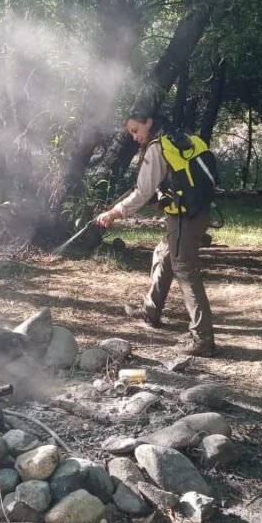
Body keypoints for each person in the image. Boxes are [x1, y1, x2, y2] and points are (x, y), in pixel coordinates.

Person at [94, 110, 216, 357]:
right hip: (194, 213)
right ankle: (151, 311)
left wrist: (113, 213)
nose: (134, 137)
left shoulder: (157, 148)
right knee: (163, 255)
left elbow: (142, 193)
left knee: (185, 270)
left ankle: (203, 339)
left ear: (149, 122)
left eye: (135, 130)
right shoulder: (179, 139)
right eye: (131, 133)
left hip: (185, 218)